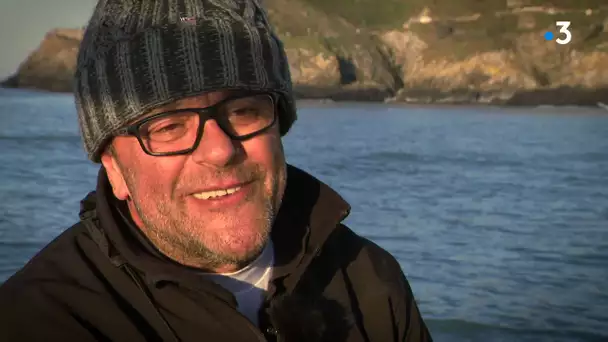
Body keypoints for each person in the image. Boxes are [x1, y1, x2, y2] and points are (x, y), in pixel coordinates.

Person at [0, 0, 432, 341]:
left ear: (279, 121)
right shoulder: (40, 321)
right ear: (113, 166)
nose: (220, 150)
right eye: (168, 126)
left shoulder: (368, 279)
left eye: (243, 110)